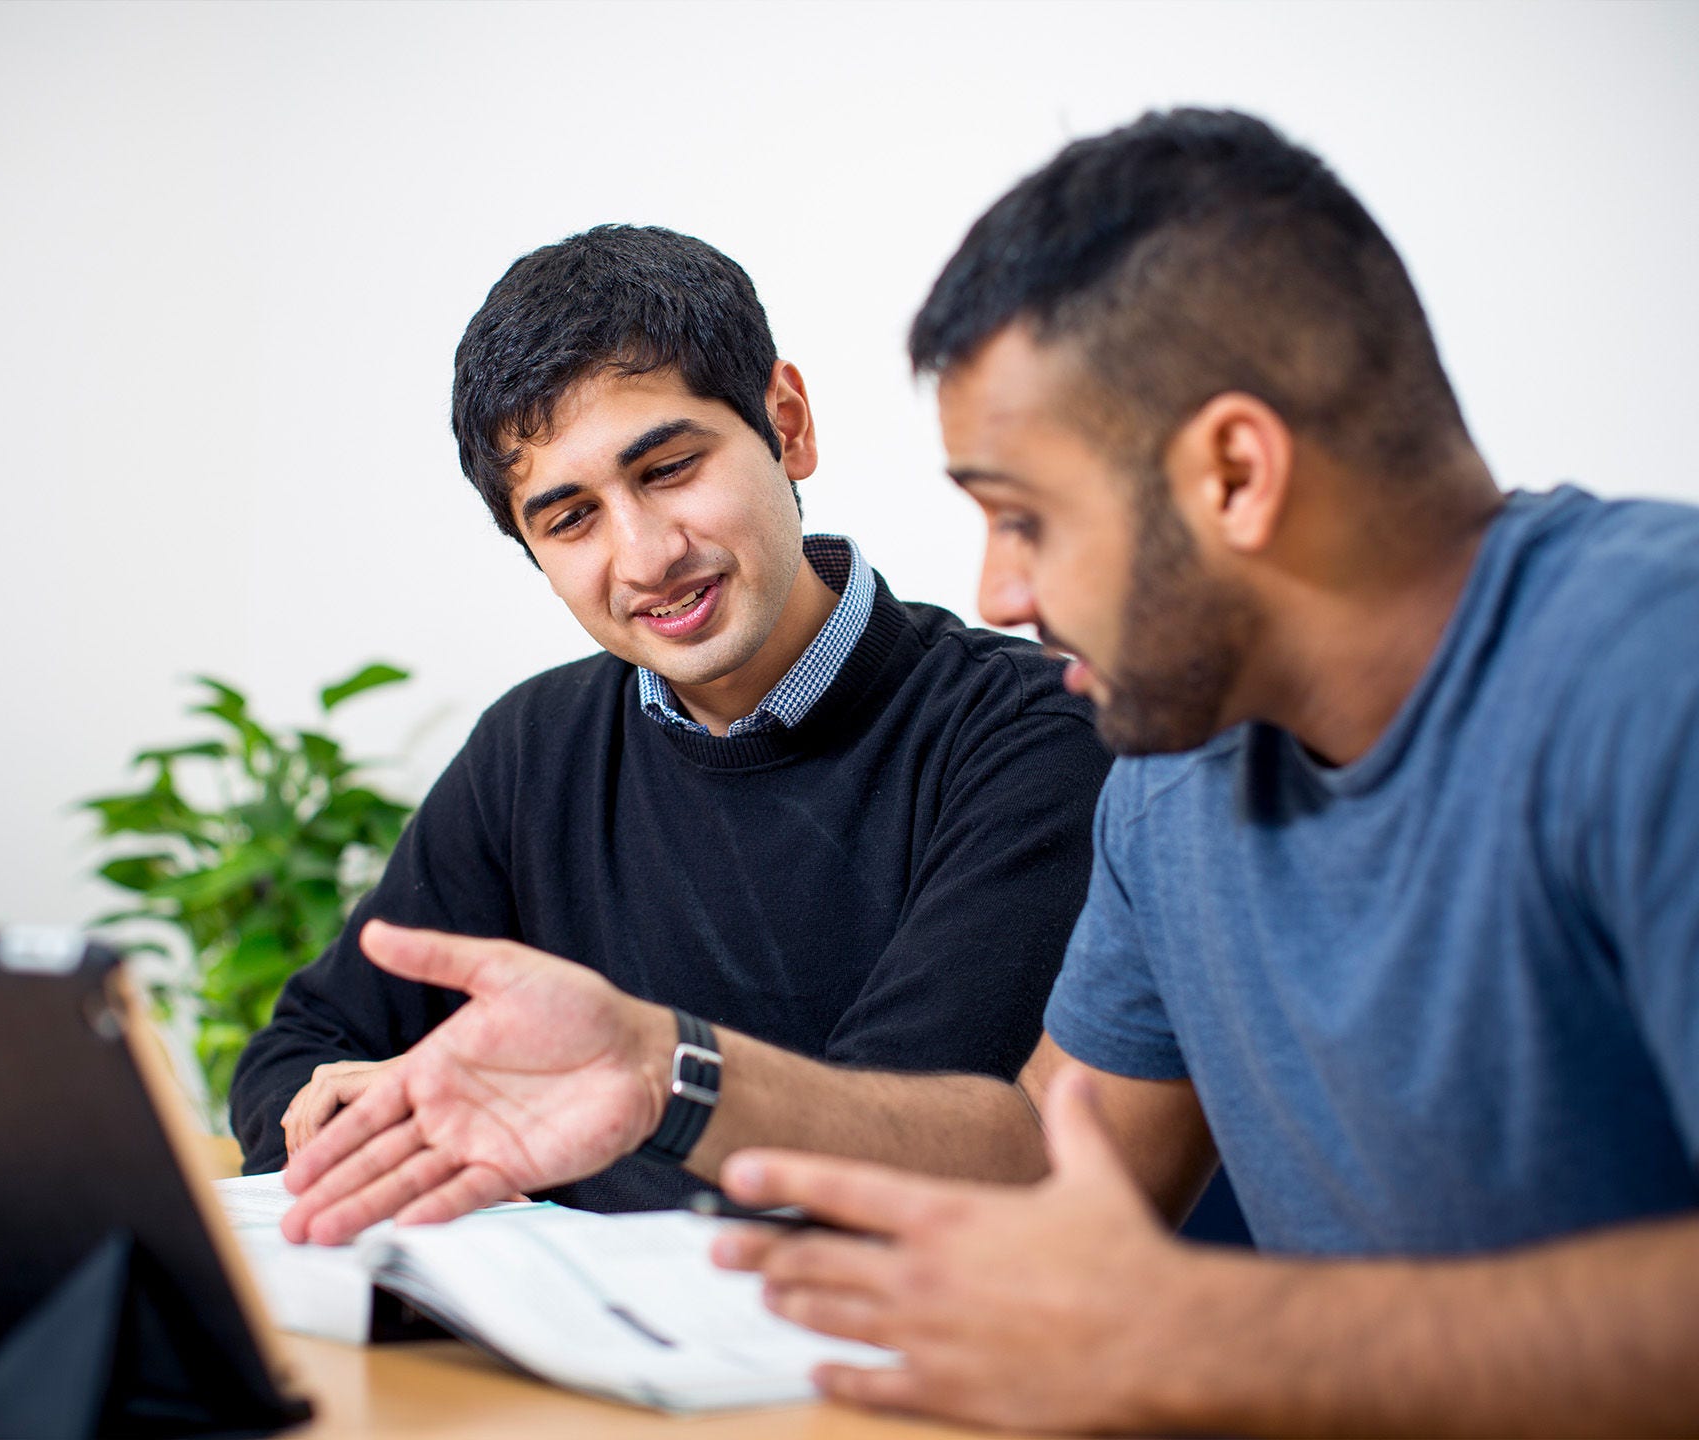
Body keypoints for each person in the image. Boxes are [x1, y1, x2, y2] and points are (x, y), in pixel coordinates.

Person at [705, 109, 1699, 1435]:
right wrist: (659, 1070)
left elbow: (1175, 1328)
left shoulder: (1656, 673)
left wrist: (1220, 1337)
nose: (999, 595)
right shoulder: (1171, 784)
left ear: (1235, 473)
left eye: (1024, 518)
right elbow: (1055, 1178)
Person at [231, 224, 1111, 1221]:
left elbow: (897, 1152)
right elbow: (299, 1055)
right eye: (571, 519)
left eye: (669, 469)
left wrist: (569, 1127)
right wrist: (380, 1121)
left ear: (786, 425)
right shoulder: (534, 749)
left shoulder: (1028, 735)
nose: (646, 557)